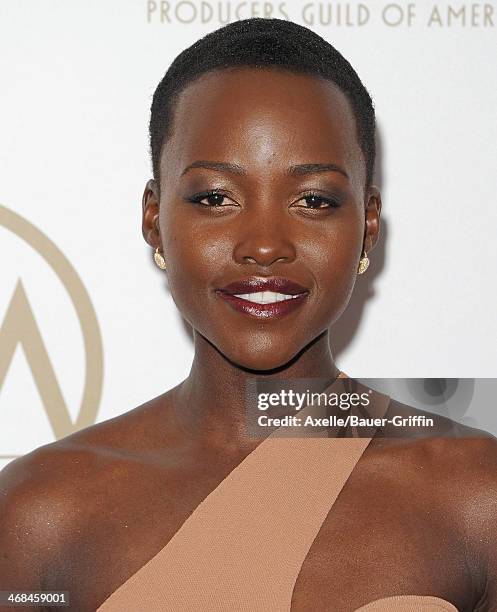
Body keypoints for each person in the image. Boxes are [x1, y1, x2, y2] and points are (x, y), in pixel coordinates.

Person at [1, 17, 496, 612]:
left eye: (314, 199)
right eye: (215, 197)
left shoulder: (476, 495)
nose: (264, 246)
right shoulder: (40, 512)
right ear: (155, 219)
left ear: (367, 225)